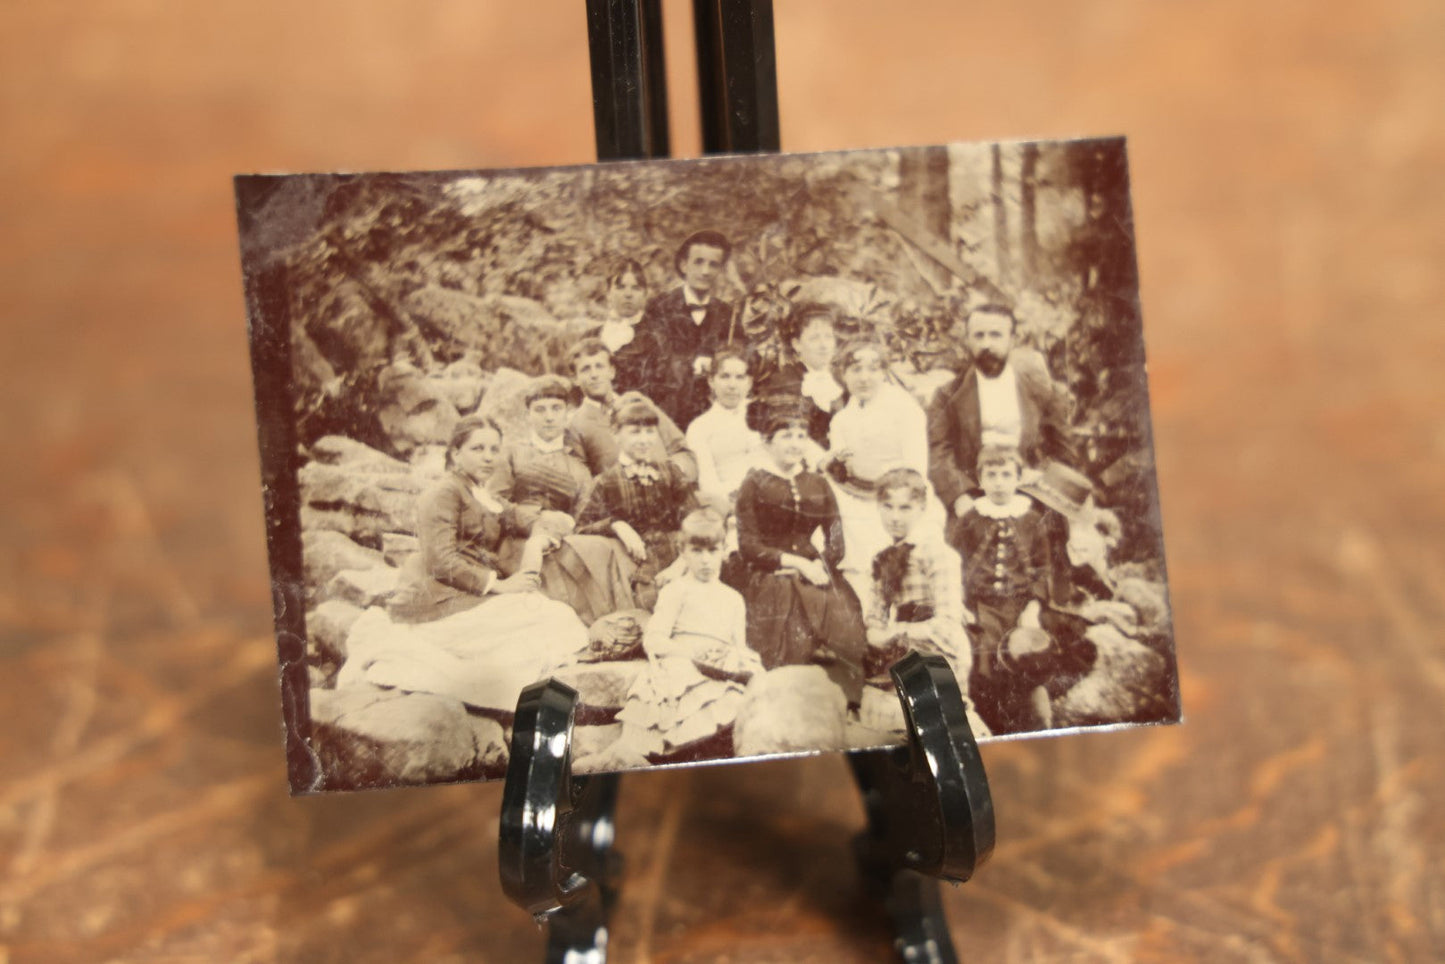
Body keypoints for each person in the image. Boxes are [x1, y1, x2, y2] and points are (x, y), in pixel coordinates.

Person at [341, 416, 590, 716]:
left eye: (494, 449)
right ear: (456, 453)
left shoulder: (481, 493)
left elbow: (513, 515)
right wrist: (499, 585)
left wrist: (539, 530)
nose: (488, 457)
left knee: (556, 618)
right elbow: (440, 559)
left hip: (468, 594)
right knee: (550, 618)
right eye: (478, 448)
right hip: (437, 598)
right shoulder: (444, 492)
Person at [577, 509, 762, 770]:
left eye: (712, 551)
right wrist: (690, 654)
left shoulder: (733, 598)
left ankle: (724, 753)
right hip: (682, 659)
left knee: (747, 689)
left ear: (724, 550)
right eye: (697, 552)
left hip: (720, 665)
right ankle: (657, 755)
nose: (706, 561)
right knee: (681, 685)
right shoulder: (677, 590)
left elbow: (739, 646)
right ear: (682, 552)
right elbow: (654, 639)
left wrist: (732, 659)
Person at [952, 445, 1095, 735]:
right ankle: (988, 722)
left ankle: (1028, 718)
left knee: (1026, 657)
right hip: (980, 606)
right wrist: (961, 604)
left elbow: (1043, 569)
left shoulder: (1031, 521)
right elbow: (955, 561)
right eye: (991, 475)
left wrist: (1033, 606)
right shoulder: (970, 519)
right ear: (980, 481)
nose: (999, 482)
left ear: (1018, 479)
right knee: (983, 662)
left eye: (1006, 475)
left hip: (1019, 606)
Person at [734, 396, 866, 707]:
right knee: (786, 635)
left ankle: (842, 702)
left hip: (815, 572)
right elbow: (748, 545)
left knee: (845, 632)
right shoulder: (753, 483)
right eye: (786, 436)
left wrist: (820, 565)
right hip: (770, 574)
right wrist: (793, 563)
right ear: (767, 442)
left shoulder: (817, 483)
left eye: (801, 436)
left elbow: (835, 537)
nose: (795, 443)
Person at [486, 375, 637, 624]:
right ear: (528, 415)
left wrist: (615, 525)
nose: (549, 417)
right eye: (540, 410)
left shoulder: (577, 467)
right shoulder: (512, 453)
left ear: (567, 414)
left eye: (556, 409)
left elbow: (587, 515)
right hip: (519, 541)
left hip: (563, 540)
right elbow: (494, 500)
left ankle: (609, 623)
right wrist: (536, 520)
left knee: (598, 548)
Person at [822, 338, 944, 611]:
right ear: (843, 374)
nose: (864, 378)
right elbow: (842, 471)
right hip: (855, 496)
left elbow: (915, 470)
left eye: (873, 369)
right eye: (855, 369)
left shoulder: (905, 410)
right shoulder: (842, 418)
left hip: (899, 497)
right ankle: (863, 621)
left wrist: (891, 501)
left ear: (884, 372)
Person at [927, 303, 1077, 520]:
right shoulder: (947, 395)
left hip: (1033, 493)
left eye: (996, 335)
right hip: (973, 497)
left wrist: (1043, 479)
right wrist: (960, 497)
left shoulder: (1042, 390)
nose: (986, 344)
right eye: (978, 336)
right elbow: (938, 453)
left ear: (1013, 339)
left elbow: (1064, 451)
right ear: (967, 340)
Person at [576, 398, 699, 609]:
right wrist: (617, 525)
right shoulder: (606, 482)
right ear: (615, 434)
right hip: (641, 574)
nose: (644, 440)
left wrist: (682, 564)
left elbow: (696, 522)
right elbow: (580, 528)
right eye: (635, 432)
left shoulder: (670, 472)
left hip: (684, 563)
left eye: (650, 432)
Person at [864, 468, 972, 686]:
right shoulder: (883, 557)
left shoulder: (937, 553)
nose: (895, 517)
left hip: (942, 651)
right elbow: (876, 617)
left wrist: (894, 632)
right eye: (887, 507)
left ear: (922, 508)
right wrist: (875, 632)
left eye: (905, 508)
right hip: (901, 649)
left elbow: (947, 623)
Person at [635, 230, 742, 428]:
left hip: (713, 417)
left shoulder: (729, 314)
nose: (705, 271)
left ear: (720, 270)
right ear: (684, 265)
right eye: (698, 262)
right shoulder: (658, 307)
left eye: (713, 265)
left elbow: (738, 359)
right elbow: (647, 365)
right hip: (667, 415)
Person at [566, 337, 698, 483]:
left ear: (611, 372)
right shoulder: (575, 425)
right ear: (575, 379)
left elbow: (683, 453)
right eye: (586, 369)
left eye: (599, 366)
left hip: (668, 491)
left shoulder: (640, 403)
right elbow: (582, 484)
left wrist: (669, 475)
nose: (594, 375)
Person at [685, 346, 767, 511]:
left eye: (740, 377)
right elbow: (708, 484)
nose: (732, 385)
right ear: (711, 381)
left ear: (750, 382)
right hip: (730, 504)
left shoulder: (765, 412)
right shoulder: (700, 427)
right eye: (725, 376)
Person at [752, 301, 842, 448]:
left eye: (828, 337)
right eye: (814, 338)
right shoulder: (784, 382)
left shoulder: (842, 381)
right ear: (797, 344)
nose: (823, 345)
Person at [586, 258, 652, 394]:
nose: (628, 294)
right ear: (608, 293)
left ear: (645, 294)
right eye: (620, 287)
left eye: (636, 288)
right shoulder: (590, 337)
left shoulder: (655, 336)